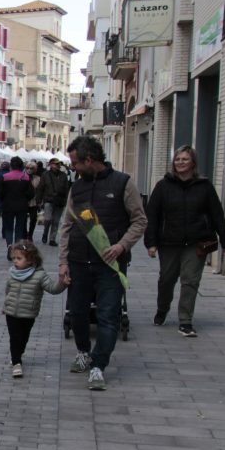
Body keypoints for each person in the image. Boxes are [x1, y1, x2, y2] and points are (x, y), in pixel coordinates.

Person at [60, 135, 147, 391]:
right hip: (78, 261)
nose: (73, 168)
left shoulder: (123, 183)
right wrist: (63, 262)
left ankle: (98, 365)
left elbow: (140, 220)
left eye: (75, 163)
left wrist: (121, 245)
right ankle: (83, 352)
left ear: (89, 160)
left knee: (108, 316)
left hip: (110, 265)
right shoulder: (76, 188)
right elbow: (66, 225)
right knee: (77, 313)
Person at [144, 145, 225, 338]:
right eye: (177, 159)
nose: (180, 163)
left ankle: (185, 321)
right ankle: (162, 309)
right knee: (166, 281)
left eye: (185, 159)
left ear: (193, 162)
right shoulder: (163, 186)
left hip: (196, 242)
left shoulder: (205, 186)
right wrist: (150, 242)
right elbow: (152, 215)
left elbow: (217, 214)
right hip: (169, 242)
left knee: (190, 281)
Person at [3, 240, 67, 378]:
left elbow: (52, 288)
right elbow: (8, 291)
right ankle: (16, 363)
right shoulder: (12, 273)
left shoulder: (39, 275)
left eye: (19, 258)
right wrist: (5, 306)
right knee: (14, 337)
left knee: (23, 337)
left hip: (28, 313)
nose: (15, 261)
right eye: (14, 258)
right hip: (11, 312)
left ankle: (18, 353)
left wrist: (62, 284)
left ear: (31, 260)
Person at [0, 157, 34, 258]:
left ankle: (9, 245)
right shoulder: (25, 177)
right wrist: (26, 198)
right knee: (19, 228)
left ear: (11, 166)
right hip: (22, 206)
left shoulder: (5, 177)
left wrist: (3, 199)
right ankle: (16, 248)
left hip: (8, 205)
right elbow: (31, 193)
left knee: (8, 227)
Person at [39, 159, 71, 246]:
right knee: (48, 219)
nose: (57, 166)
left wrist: (66, 201)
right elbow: (41, 188)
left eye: (58, 164)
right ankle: (45, 233)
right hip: (48, 200)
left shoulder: (63, 175)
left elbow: (66, 189)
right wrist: (39, 200)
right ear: (50, 165)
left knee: (56, 221)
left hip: (59, 201)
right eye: (55, 164)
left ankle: (52, 239)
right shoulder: (45, 175)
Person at [26, 162, 43, 241]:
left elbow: (40, 190)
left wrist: (40, 201)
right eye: (27, 168)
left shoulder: (38, 178)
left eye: (31, 168)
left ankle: (30, 235)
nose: (29, 170)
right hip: (24, 201)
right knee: (23, 219)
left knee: (33, 219)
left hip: (34, 201)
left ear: (35, 169)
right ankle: (25, 233)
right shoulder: (23, 177)